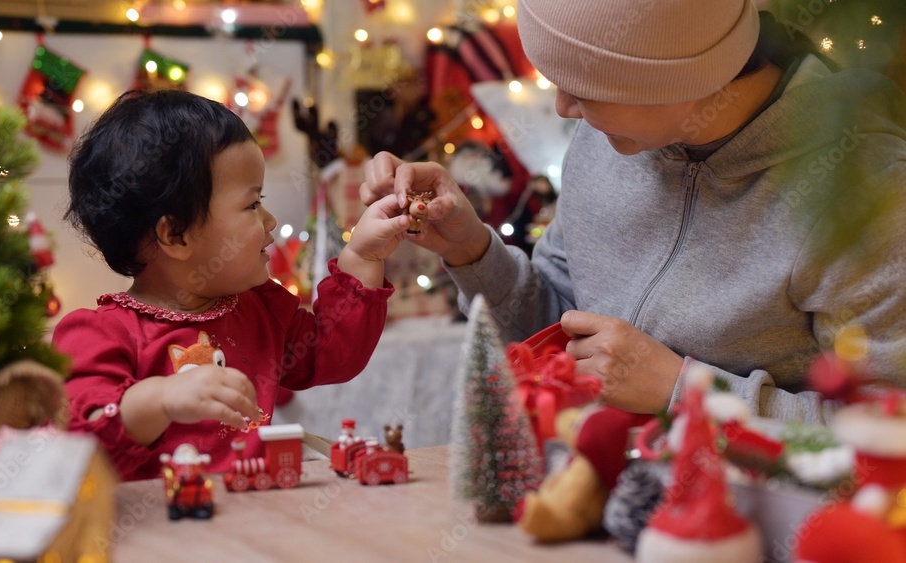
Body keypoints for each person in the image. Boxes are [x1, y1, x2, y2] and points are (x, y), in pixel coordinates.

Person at [361, 0, 906, 424]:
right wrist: (470, 250)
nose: (563, 108)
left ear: (683, 79)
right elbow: (563, 332)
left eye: (587, 88)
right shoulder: (608, 138)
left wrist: (686, 393)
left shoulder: (867, 195)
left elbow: (887, 438)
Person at [54, 89, 412, 480]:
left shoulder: (257, 309)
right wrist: (160, 399)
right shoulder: (99, 335)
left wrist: (363, 256)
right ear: (175, 235)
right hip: (160, 533)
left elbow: (332, 352)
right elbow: (83, 442)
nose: (270, 219)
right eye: (252, 204)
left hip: (252, 521)